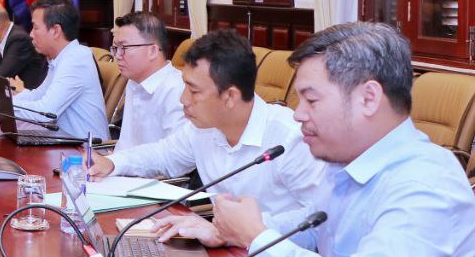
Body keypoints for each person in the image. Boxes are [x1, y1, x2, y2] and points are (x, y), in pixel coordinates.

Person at [152, 23, 475, 257]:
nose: (298, 114)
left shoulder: (424, 183)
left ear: (368, 98)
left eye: (311, 99)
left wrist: (257, 237)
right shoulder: (345, 161)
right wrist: (233, 231)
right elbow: (311, 230)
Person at [88, 29, 324, 215]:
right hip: (226, 250)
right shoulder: (202, 130)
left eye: (194, 91)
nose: (183, 100)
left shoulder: (291, 140)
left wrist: (245, 231)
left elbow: (317, 222)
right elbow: (162, 155)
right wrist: (113, 163)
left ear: (230, 96)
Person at [11, 0, 108, 141]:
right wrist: (6, 101)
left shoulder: (76, 59)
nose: (31, 34)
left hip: (86, 150)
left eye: (35, 27)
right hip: (64, 141)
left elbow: (46, 113)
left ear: (56, 30)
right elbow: (39, 95)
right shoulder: (62, 57)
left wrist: (6, 106)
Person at [109, 11, 189, 150]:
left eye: (124, 48)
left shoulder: (177, 90)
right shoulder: (134, 81)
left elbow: (175, 155)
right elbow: (126, 145)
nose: (117, 56)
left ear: (152, 51)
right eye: (116, 48)